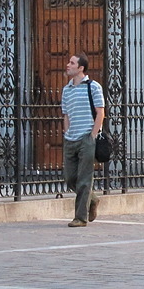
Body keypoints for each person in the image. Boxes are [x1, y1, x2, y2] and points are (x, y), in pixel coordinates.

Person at [61, 53, 102, 227]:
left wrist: (92, 135)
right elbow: (66, 114)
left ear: (81, 68)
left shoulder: (93, 87)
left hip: (86, 138)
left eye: (72, 63)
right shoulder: (66, 89)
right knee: (70, 178)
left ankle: (80, 217)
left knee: (84, 178)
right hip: (71, 138)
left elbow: (100, 112)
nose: (67, 65)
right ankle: (92, 199)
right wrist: (66, 132)